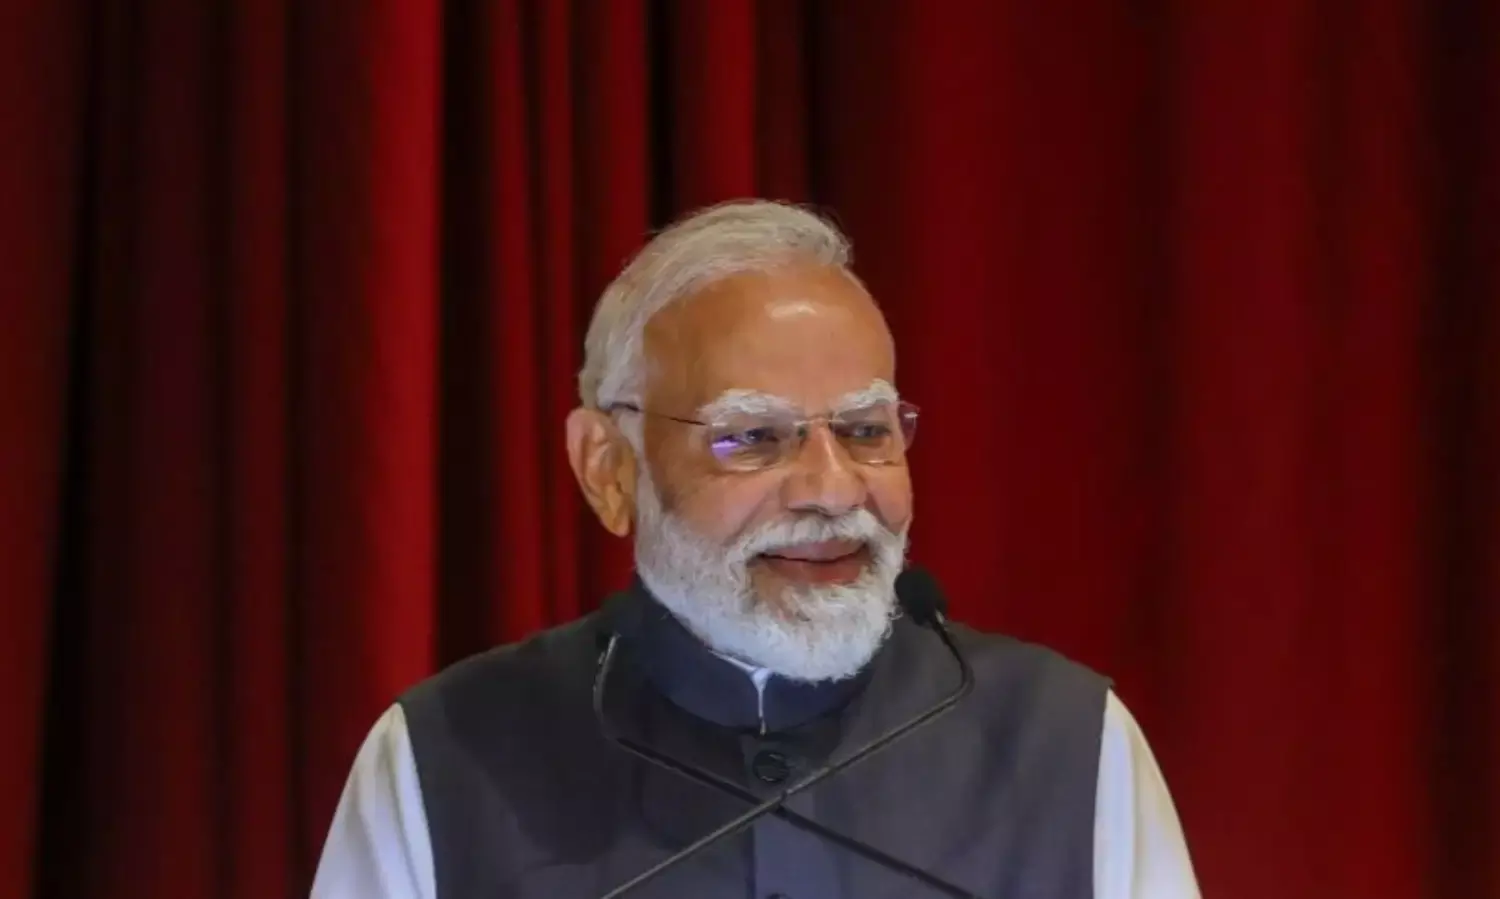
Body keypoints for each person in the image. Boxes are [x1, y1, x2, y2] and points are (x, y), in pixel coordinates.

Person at [310, 200, 1200, 898]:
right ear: (609, 468)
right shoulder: (444, 760)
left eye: (865, 429)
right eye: (754, 437)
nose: (832, 490)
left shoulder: (1069, 744)